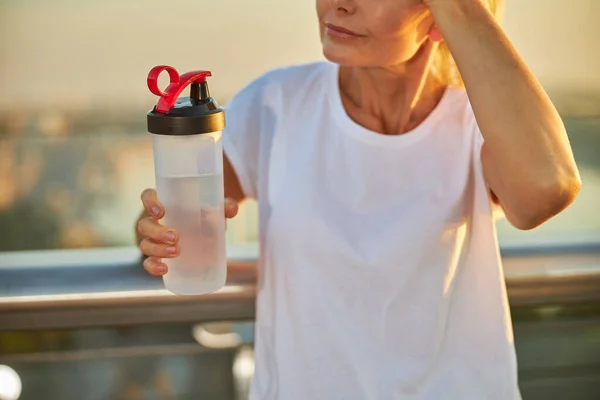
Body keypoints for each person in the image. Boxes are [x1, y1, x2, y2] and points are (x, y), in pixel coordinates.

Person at [136, 0, 581, 398]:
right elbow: (172, 213)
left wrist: (463, 9)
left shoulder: (481, 125)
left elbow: (545, 190)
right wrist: (158, 230)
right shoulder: (276, 104)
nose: (338, 5)